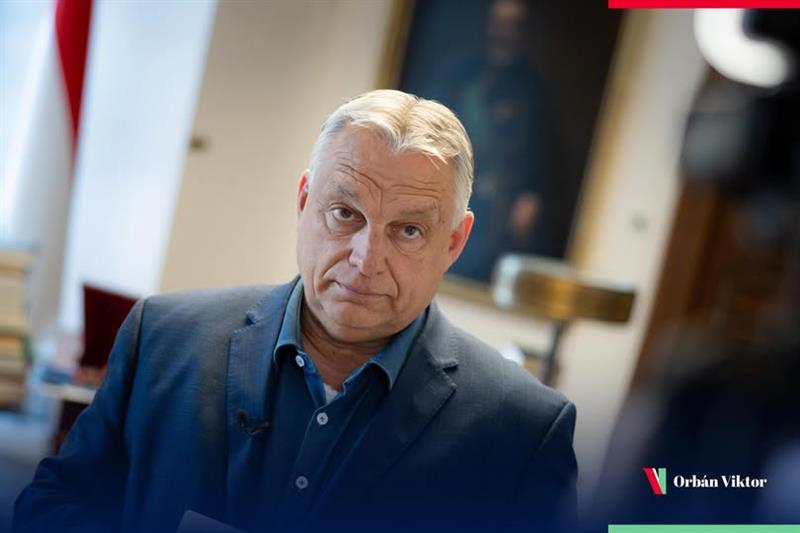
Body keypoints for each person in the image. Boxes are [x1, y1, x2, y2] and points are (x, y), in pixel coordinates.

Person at [14, 90, 577, 533]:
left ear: (454, 242)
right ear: (305, 200)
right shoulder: (161, 337)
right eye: (345, 213)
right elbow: (53, 505)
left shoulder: (522, 431)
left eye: (408, 230)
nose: (366, 260)